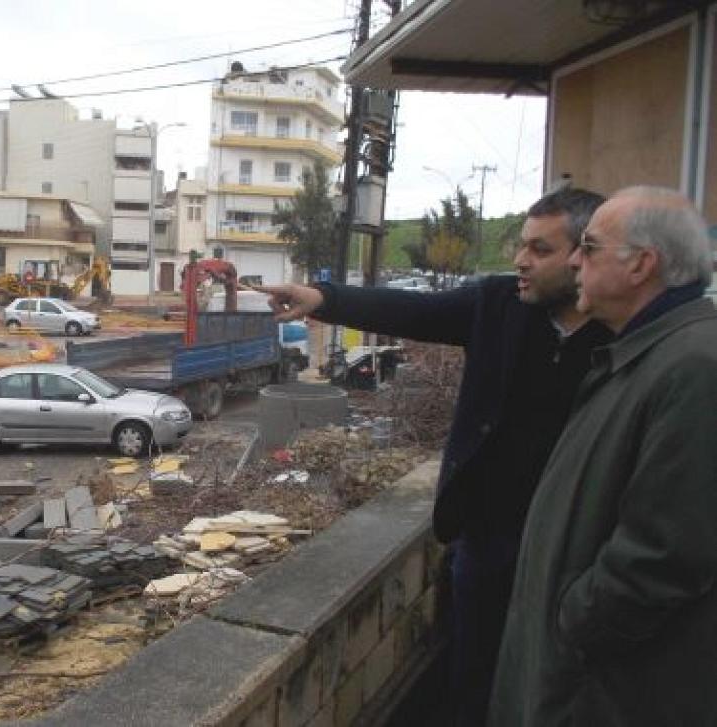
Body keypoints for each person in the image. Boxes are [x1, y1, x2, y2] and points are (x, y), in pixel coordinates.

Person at [261, 187, 610, 726]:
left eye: (540, 250)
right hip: (488, 541)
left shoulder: (623, 335)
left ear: (584, 253)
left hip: (574, 554)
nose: (520, 260)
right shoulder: (497, 305)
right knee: (473, 682)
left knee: (558, 691)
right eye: (521, 245)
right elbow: (413, 311)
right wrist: (323, 298)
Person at [489, 187, 717, 726]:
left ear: (642, 264)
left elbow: (663, 555)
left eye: (588, 248)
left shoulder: (694, 369)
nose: (574, 261)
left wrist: (572, 627)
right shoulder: (645, 354)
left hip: (608, 689)